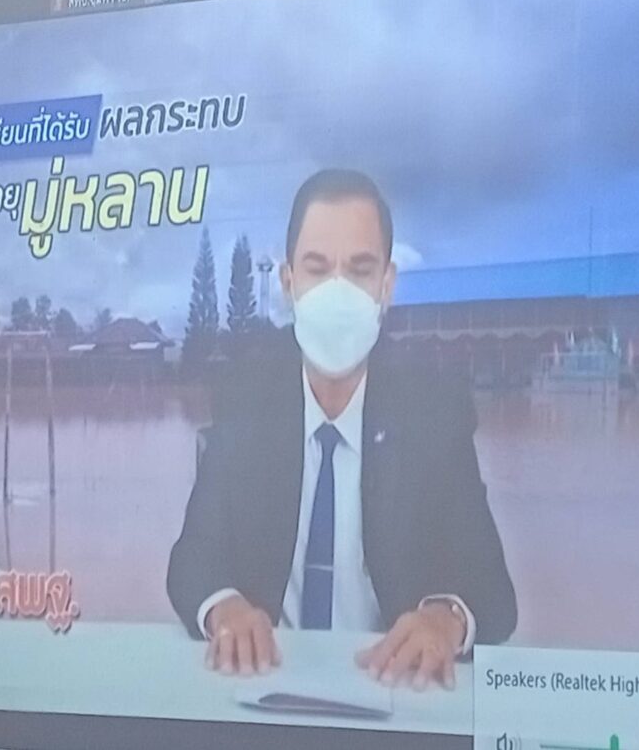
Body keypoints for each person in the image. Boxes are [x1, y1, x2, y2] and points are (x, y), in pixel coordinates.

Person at [168, 169, 517, 691]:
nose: (338, 291)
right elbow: (192, 561)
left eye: (359, 270)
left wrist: (444, 619)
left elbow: (492, 591)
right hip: (263, 688)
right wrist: (225, 607)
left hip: (393, 694)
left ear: (386, 285)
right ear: (288, 283)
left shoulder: (435, 412)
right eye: (317, 268)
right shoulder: (244, 399)